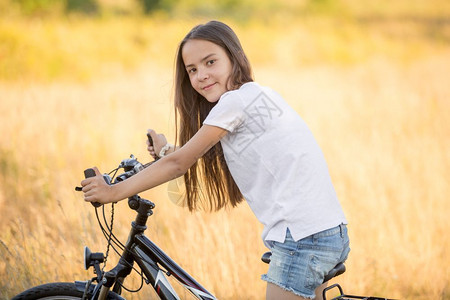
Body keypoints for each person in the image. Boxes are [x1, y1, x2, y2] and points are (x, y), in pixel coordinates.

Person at [81, 20, 350, 300]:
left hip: (301, 240)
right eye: (193, 70)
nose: (201, 76)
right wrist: (165, 151)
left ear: (234, 57)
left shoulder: (233, 103)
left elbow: (179, 164)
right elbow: (199, 152)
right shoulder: (259, 95)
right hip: (328, 231)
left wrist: (112, 192)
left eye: (210, 62)